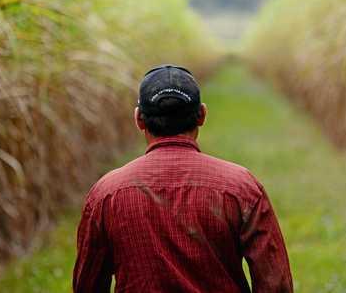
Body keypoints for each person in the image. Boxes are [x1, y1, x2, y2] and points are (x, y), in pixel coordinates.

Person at [73, 64, 293, 292]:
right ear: (202, 115)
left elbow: (87, 285)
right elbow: (275, 284)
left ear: (139, 119)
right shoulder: (241, 187)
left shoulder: (106, 193)